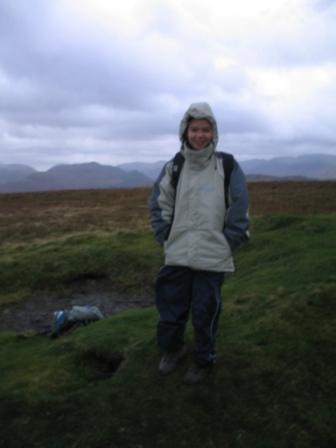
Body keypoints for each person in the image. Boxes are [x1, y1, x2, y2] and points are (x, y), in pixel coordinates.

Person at [148, 102, 249, 384]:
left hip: (212, 257)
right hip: (177, 254)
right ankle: (172, 350)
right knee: (170, 309)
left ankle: (203, 360)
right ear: (185, 131)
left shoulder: (227, 165)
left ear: (213, 132)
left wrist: (228, 242)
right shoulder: (174, 166)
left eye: (206, 129)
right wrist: (165, 237)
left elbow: (240, 208)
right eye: (195, 129)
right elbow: (158, 204)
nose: (200, 135)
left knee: (205, 312)